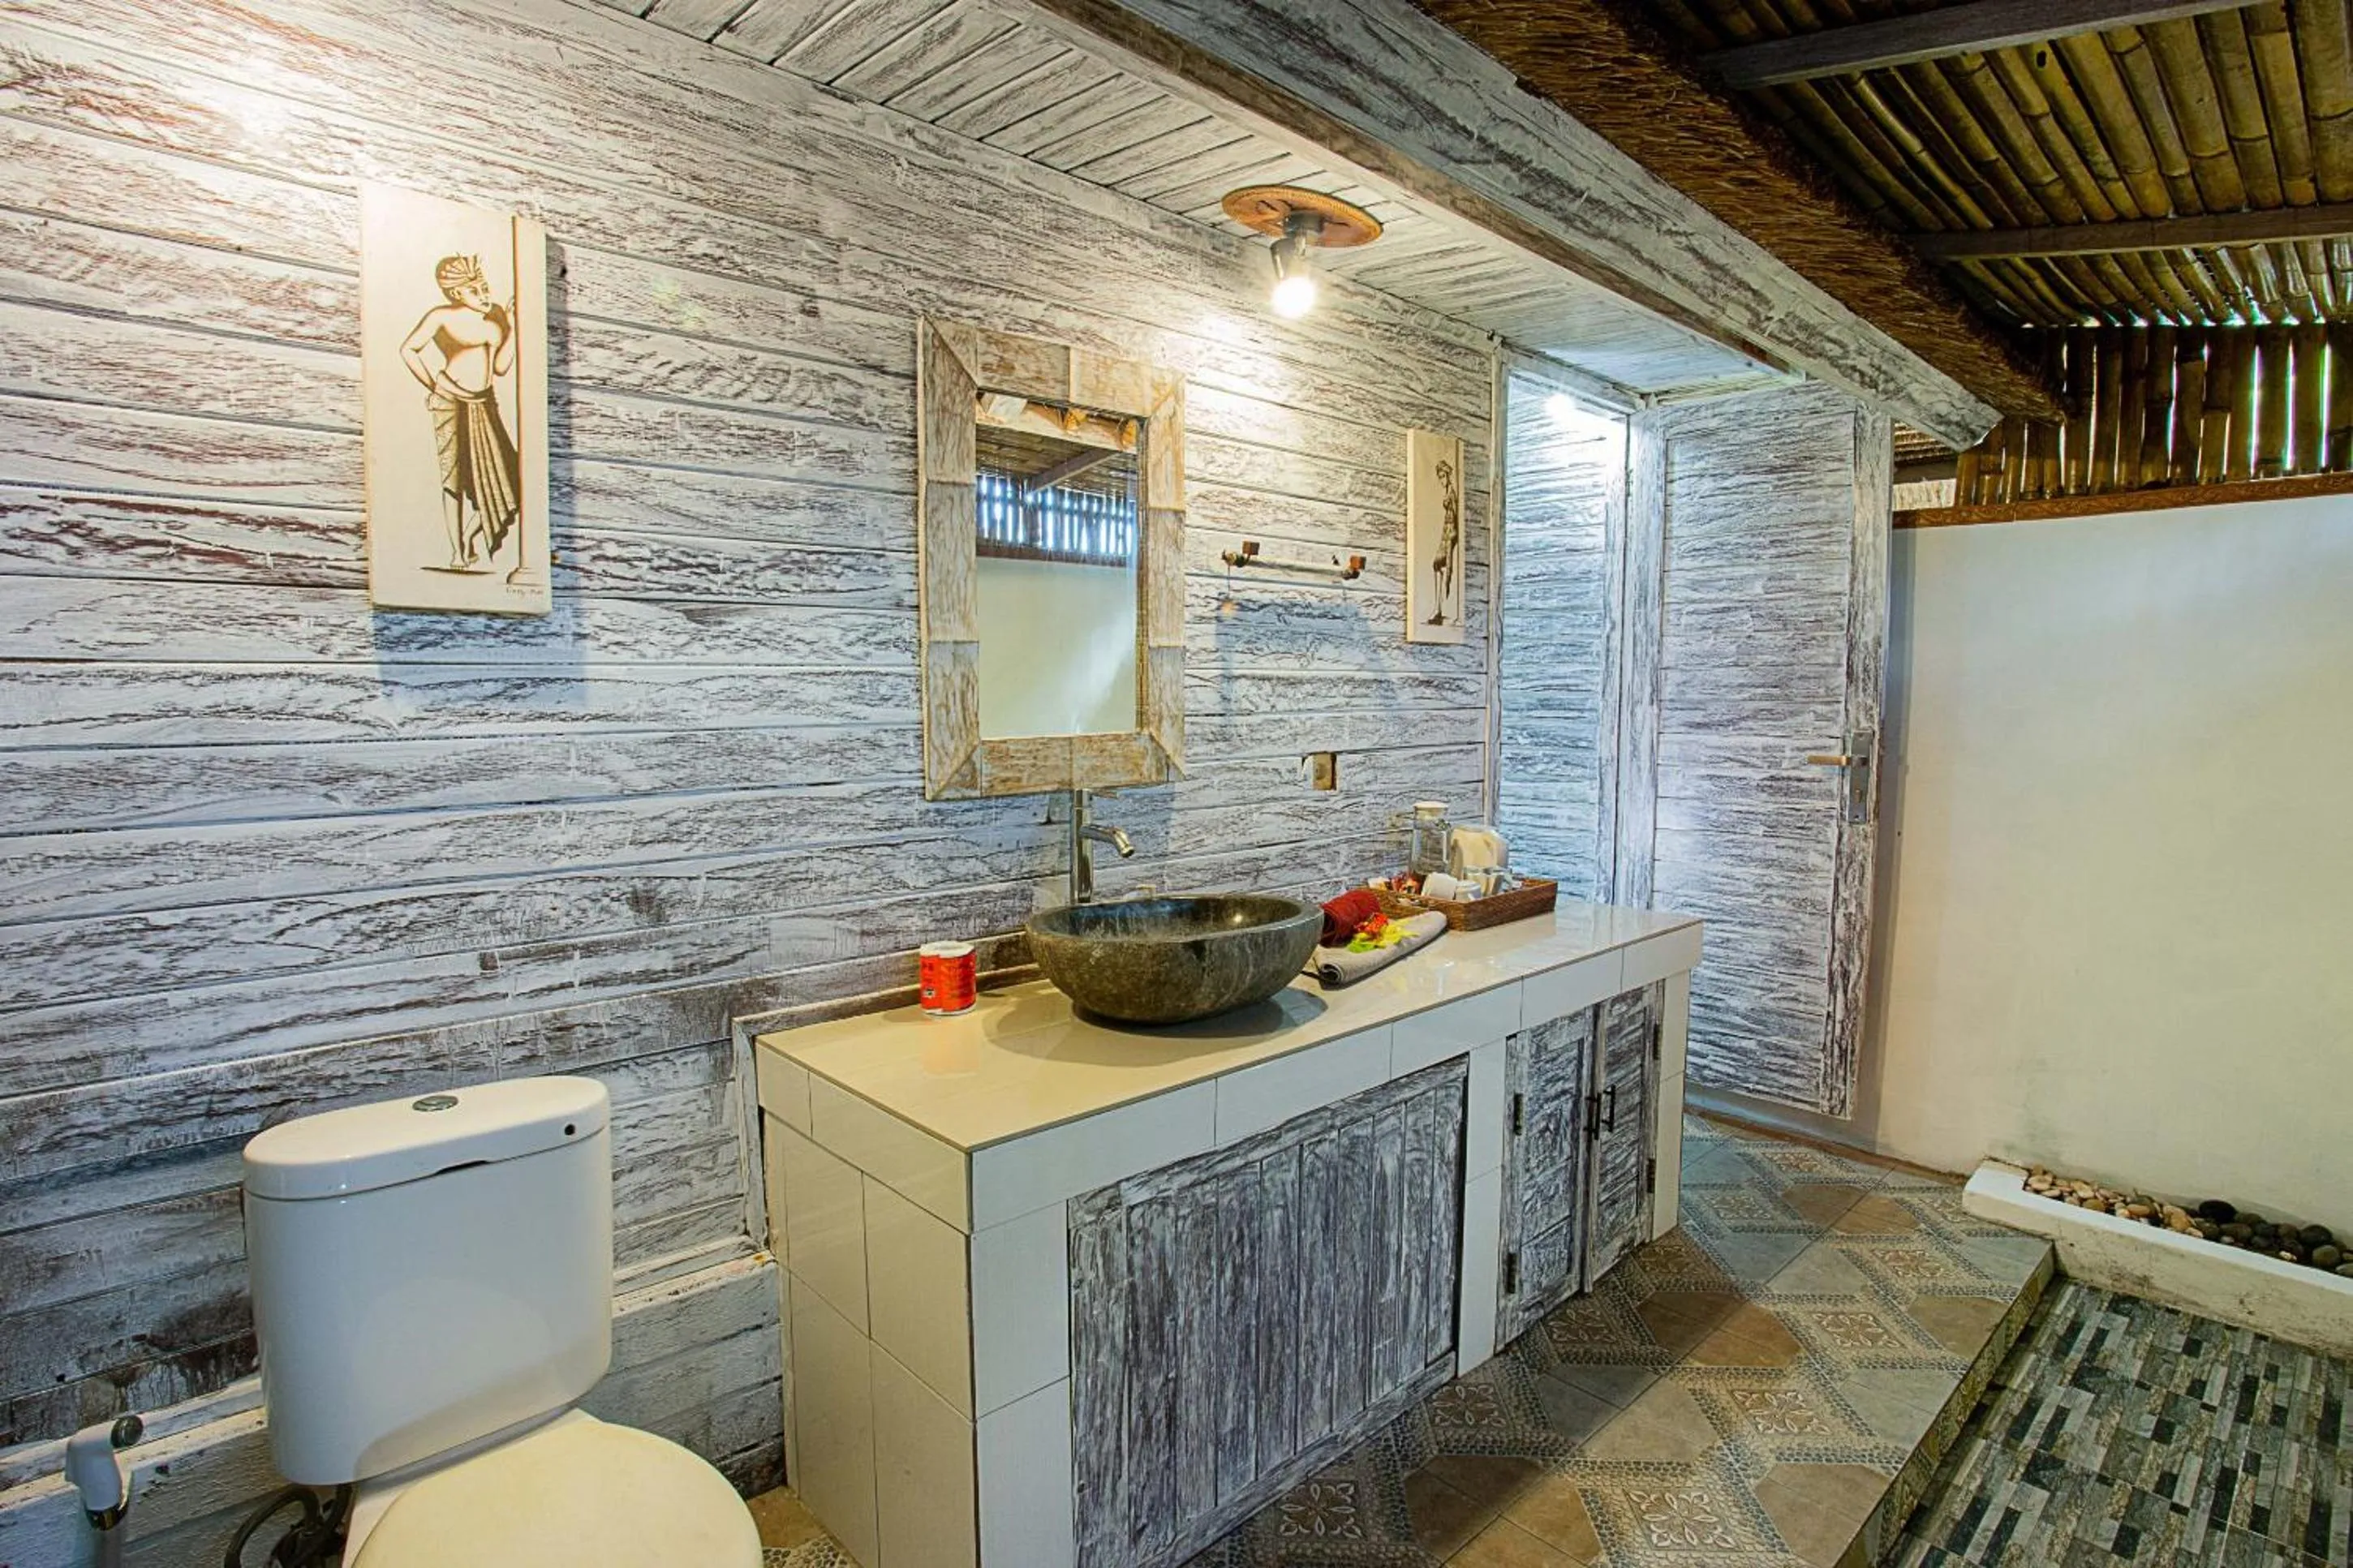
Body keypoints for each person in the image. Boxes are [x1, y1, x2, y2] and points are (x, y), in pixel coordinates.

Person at [399, 254, 521, 571]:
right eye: (474, 291)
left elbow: (500, 367)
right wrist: (433, 386)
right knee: (453, 478)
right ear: (457, 294)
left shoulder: (495, 316)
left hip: (484, 401)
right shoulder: (441, 316)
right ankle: (456, 552)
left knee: (511, 477)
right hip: (450, 400)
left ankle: (469, 537)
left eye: (484, 288)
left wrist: (515, 328)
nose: (484, 296)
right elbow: (408, 350)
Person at [1427, 455, 1460, 625]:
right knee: (1437, 566)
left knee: (1441, 566)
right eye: (1439, 477)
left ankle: (1439, 609)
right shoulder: (1448, 492)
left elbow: (1454, 516)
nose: (1441, 480)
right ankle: (1438, 608)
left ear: (1448, 475)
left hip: (1449, 534)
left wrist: (1452, 535)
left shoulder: (1452, 493)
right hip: (1445, 533)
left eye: (1443, 476)